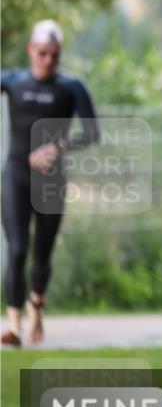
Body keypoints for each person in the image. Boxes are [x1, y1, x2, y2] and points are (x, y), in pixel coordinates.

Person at [1, 20, 100, 347]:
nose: (48, 60)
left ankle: (37, 305)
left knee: (42, 255)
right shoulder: (13, 82)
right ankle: (13, 323)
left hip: (51, 183)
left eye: (55, 55)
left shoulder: (72, 87)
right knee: (16, 250)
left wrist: (57, 147)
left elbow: (92, 132)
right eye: (43, 53)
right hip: (16, 176)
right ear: (31, 50)